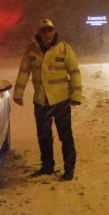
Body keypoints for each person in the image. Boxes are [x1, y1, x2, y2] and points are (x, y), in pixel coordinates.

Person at [13, 19, 82, 181]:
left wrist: (76, 96)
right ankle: (47, 166)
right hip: (41, 101)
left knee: (65, 136)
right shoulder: (32, 50)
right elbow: (24, 71)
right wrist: (18, 93)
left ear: (54, 31)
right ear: (39, 32)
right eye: (43, 30)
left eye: (49, 30)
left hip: (61, 101)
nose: (47, 33)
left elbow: (74, 72)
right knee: (44, 136)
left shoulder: (64, 49)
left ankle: (69, 169)